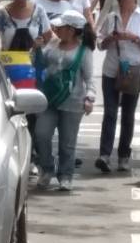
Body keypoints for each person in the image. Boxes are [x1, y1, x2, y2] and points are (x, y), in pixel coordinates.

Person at [34, 10, 96, 191]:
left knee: (67, 142)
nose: (56, 29)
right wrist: (36, 49)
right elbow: (39, 64)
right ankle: (46, 169)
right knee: (41, 134)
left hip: (73, 102)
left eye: (60, 27)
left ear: (71, 30)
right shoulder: (53, 44)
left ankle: (66, 175)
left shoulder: (84, 51)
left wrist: (89, 98)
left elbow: (89, 78)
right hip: (49, 99)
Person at [96, 0, 140, 173]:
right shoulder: (112, 17)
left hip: (133, 70)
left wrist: (133, 37)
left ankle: (124, 155)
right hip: (111, 69)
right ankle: (104, 155)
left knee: (128, 114)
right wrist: (110, 39)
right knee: (110, 113)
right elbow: (100, 44)